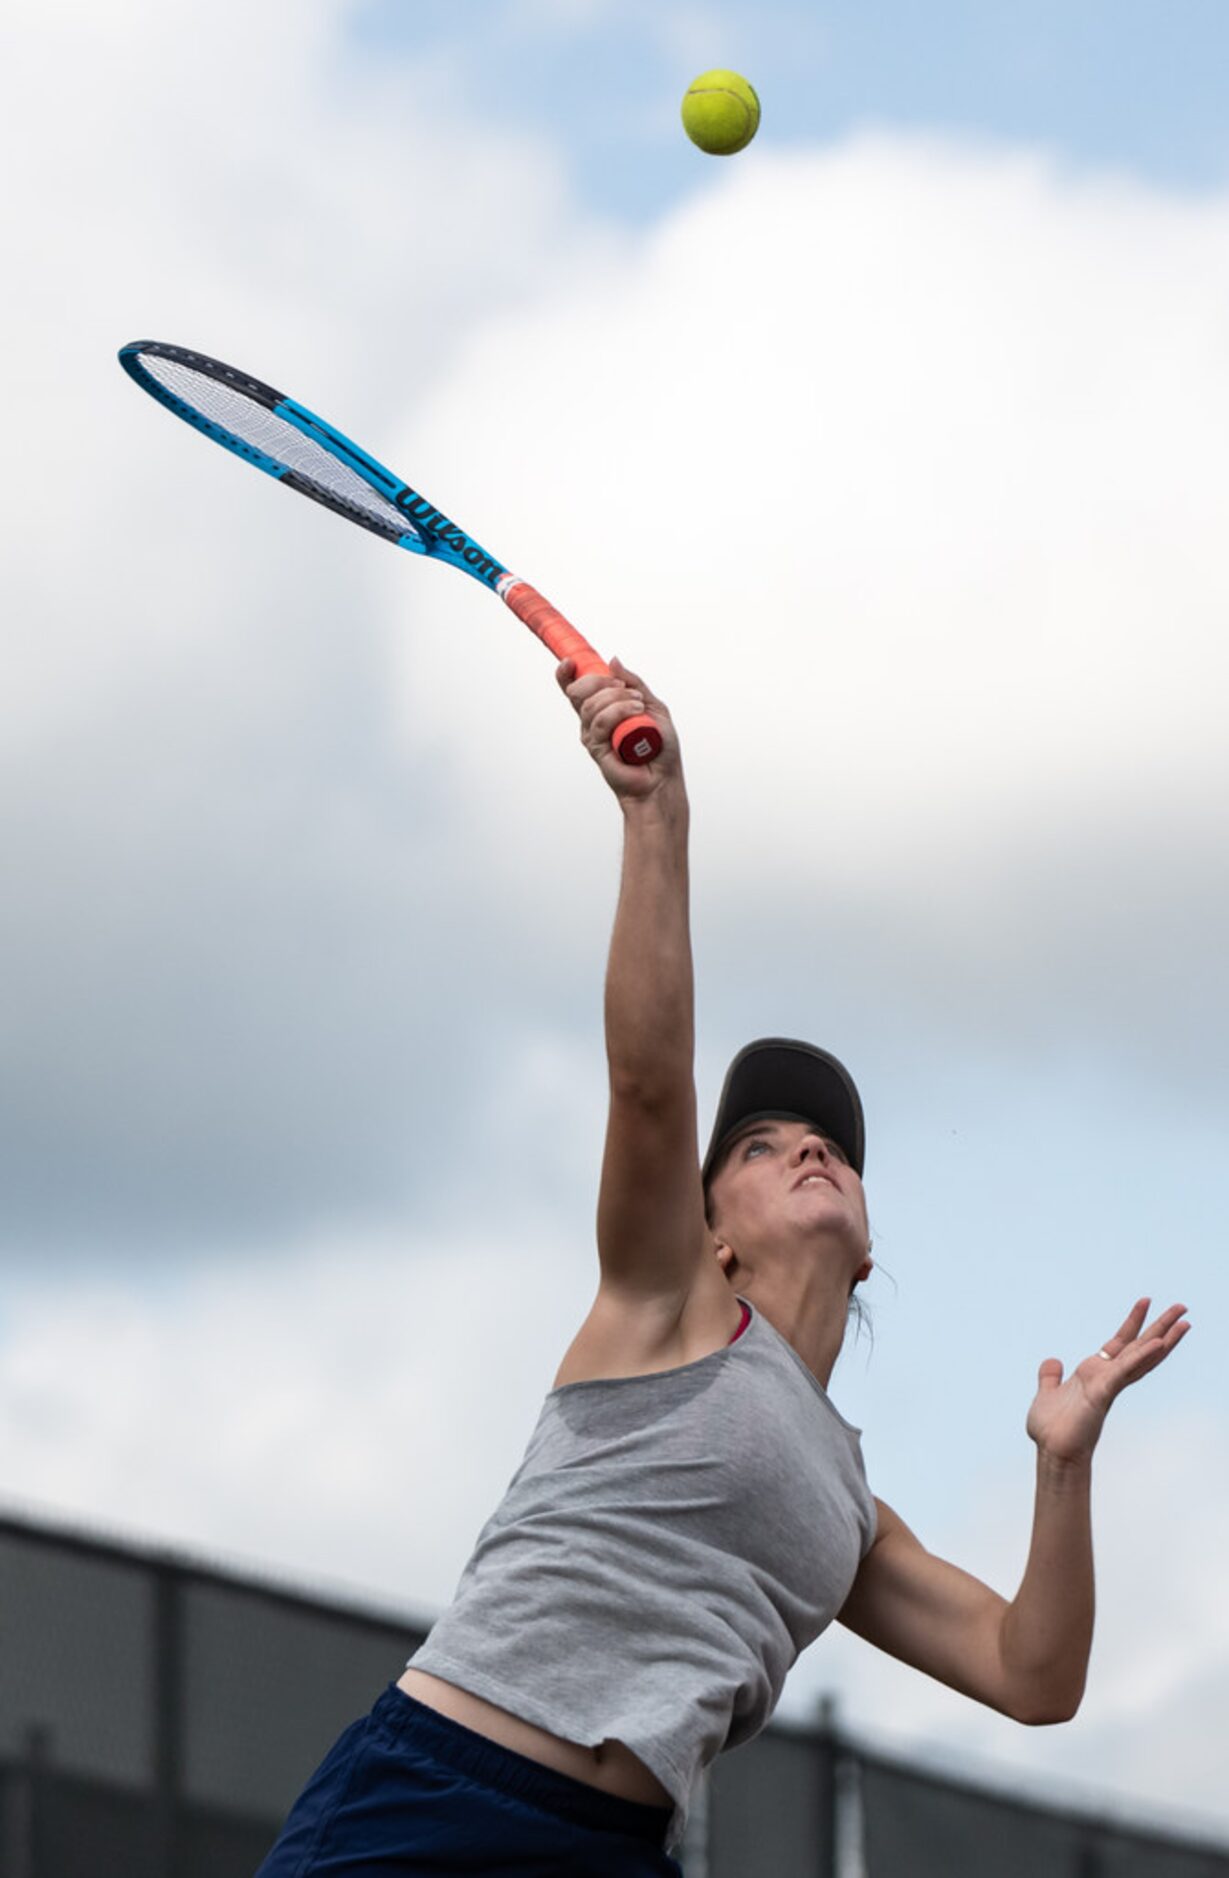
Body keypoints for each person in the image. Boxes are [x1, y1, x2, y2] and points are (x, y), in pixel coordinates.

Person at [255, 660, 1190, 1876]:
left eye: (826, 1146)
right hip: (435, 1807)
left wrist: (1060, 1468)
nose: (805, 1147)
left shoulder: (847, 1512)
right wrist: (658, 817)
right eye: (757, 1145)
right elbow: (649, 1083)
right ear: (709, 1234)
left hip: (614, 1848)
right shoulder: (663, 1308)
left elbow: (1032, 1675)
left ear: (869, 1250)